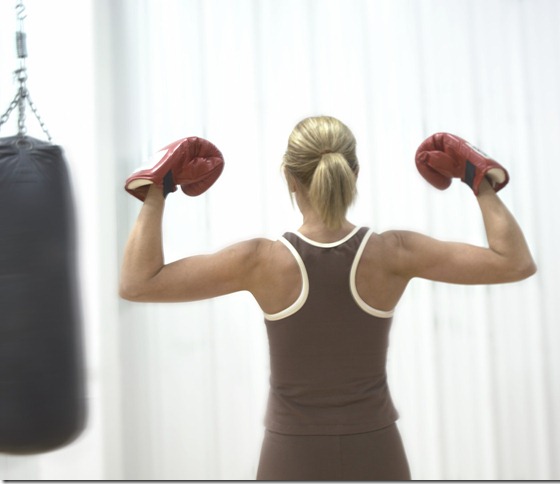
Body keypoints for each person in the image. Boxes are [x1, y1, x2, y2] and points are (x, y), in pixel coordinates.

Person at [119, 115, 537, 480]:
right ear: (354, 173)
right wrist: (478, 180)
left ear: (289, 177)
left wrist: (159, 188)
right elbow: (514, 262)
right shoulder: (394, 253)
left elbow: (139, 282)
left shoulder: (260, 261)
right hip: (377, 453)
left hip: (291, 458)